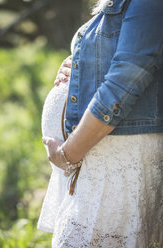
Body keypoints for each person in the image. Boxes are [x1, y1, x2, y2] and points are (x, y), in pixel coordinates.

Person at [37, 0, 163, 247]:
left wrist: (69, 154)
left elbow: (127, 79)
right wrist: (78, 64)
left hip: (118, 158)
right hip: (99, 154)